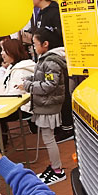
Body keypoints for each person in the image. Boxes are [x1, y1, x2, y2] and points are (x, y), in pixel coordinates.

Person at [20, 30, 68, 184]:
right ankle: (55, 167)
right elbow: (43, 78)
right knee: (48, 138)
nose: (33, 47)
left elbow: (49, 85)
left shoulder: (51, 61)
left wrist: (27, 85)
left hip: (49, 105)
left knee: (48, 138)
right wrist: (28, 79)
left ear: (45, 44)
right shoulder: (47, 59)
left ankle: (58, 170)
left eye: (35, 44)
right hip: (46, 104)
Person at [0, 38, 35, 116]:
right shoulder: (11, 67)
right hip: (11, 105)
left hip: (22, 108)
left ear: (12, 52)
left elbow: (16, 94)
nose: (1, 53)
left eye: (3, 50)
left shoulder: (22, 69)